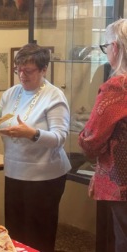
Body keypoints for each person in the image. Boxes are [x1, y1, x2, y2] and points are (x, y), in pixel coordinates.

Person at [0, 43, 71, 252]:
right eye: (18, 70)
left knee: (39, 233)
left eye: (28, 71)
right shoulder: (10, 93)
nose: (22, 76)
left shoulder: (54, 96)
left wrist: (33, 134)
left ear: (44, 70)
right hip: (15, 172)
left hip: (45, 176)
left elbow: (60, 137)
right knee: (15, 231)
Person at [78, 18, 127, 252]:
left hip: (122, 181)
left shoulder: (117, 87)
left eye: (106, 46)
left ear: (115, 47)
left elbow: (92, 139)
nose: (107, 50)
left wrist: (82, 138)